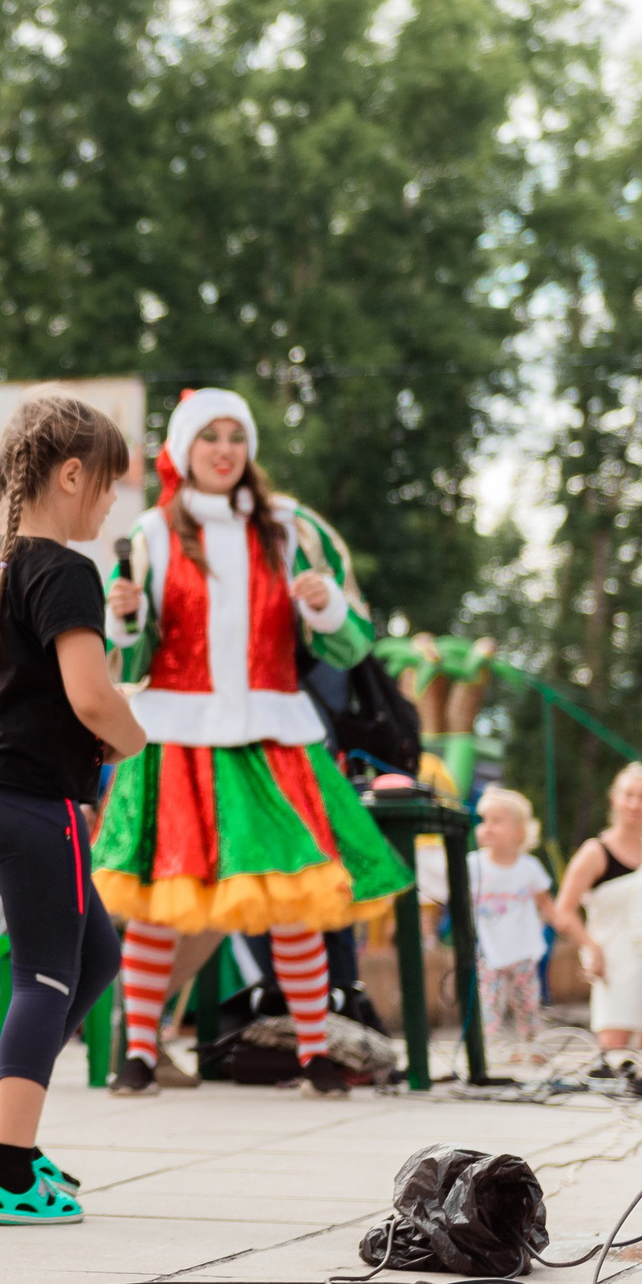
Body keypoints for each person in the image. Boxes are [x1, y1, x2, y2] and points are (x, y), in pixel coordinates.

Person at [95, 388, 412, 1098]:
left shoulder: (293, 528)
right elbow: (132, 664)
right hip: (178, 738)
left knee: (291, 898)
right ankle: (138, 1051)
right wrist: (126, 619)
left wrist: (324, 602)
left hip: (273, 738)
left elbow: (354, 641)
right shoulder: (149, 534)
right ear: (182, 449)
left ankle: (314, 1053)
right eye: (208, 435)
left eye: (235, 435)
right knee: (156, 900)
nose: (224, 448)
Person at [0, 394, 146, 1224]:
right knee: (45, 976)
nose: (108, 505)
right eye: (106, 487)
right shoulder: (66, 570)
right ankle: (12, 1175)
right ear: (69, 475)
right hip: (30, 803)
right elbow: (92, 696)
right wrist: (133, 737)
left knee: (94, 952)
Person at [553, 764, 642, 1053]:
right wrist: (591, 947)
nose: (635, 804)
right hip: (616, 957)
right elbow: (563, 910)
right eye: (628, 795)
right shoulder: (595, 852)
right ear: (614, 798)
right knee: (614, 1042)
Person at [469, 788, 556, 1059]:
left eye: (497, 821)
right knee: (489, 1001)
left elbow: (547, 905)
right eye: (484, 820)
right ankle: (491, 1047)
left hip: (522, 948)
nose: (488, 828)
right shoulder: (473, 865)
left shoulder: (529, 867)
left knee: (527, 1000)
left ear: (519, 831)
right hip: (489, 949)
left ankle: (531, 1043)